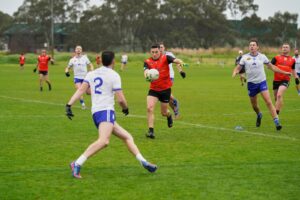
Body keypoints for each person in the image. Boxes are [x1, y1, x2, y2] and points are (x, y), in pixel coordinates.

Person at [65, 51, 157, 179]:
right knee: (104, 141)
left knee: (127, 136)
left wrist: (69, 105)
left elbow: (81, 90)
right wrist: (125, 108)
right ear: (113, 61)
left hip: (96, 113)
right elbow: (120, 99)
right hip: (106, 111)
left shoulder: (91, 73)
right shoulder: (114, 75)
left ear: (101, 60)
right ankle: (77, 163)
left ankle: (143, 162)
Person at [232, 38, 291, 131]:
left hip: (262, 82)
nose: (251, 46)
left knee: (268, 102)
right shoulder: (244, 57)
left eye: (253, 45)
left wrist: (285, 72)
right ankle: (259, 114)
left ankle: (277, 122)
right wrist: (235, 72)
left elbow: (272, 67)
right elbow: (238, 67)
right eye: (250, 45)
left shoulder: (262, 56)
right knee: (254, 106)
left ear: (257, 47)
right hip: (251, 84)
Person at [144, 44, 186, 139]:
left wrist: (181, 62)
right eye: (152, 52)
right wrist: (147, 76)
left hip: (165, 90)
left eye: (156, 52)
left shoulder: (166, 58)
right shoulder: (147, 61)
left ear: (160, 51)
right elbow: (145, 71)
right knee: (149, 108)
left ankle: (169, 115)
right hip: (153, 90)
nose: (154, 54)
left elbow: (176, 60)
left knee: (163, 112)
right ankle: (151, 131)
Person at [271, 43, 299, 114]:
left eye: (286, 47)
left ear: (289, 49)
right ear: (281, 49)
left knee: (279, 95)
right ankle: (278, 109)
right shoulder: (276, 58)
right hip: (276, 80)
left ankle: (276, 113)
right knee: (276, 98)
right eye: (283, 47)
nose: (284, 48)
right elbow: (270, 66)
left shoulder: (292, 60)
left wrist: (296, 77)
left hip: (285, 80)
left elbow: (293, 70)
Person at [159, 42, 185, 119]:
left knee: (166, 95)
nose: (160, 49)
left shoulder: (168, 54)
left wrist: (181, 71)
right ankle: (176, 113)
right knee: (166, 98)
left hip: (169, 77)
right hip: (160, 78)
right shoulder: (156, 56)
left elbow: (177, 62)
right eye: (159, 47)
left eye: (161, 47)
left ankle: (175, 102)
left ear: (164, 48)